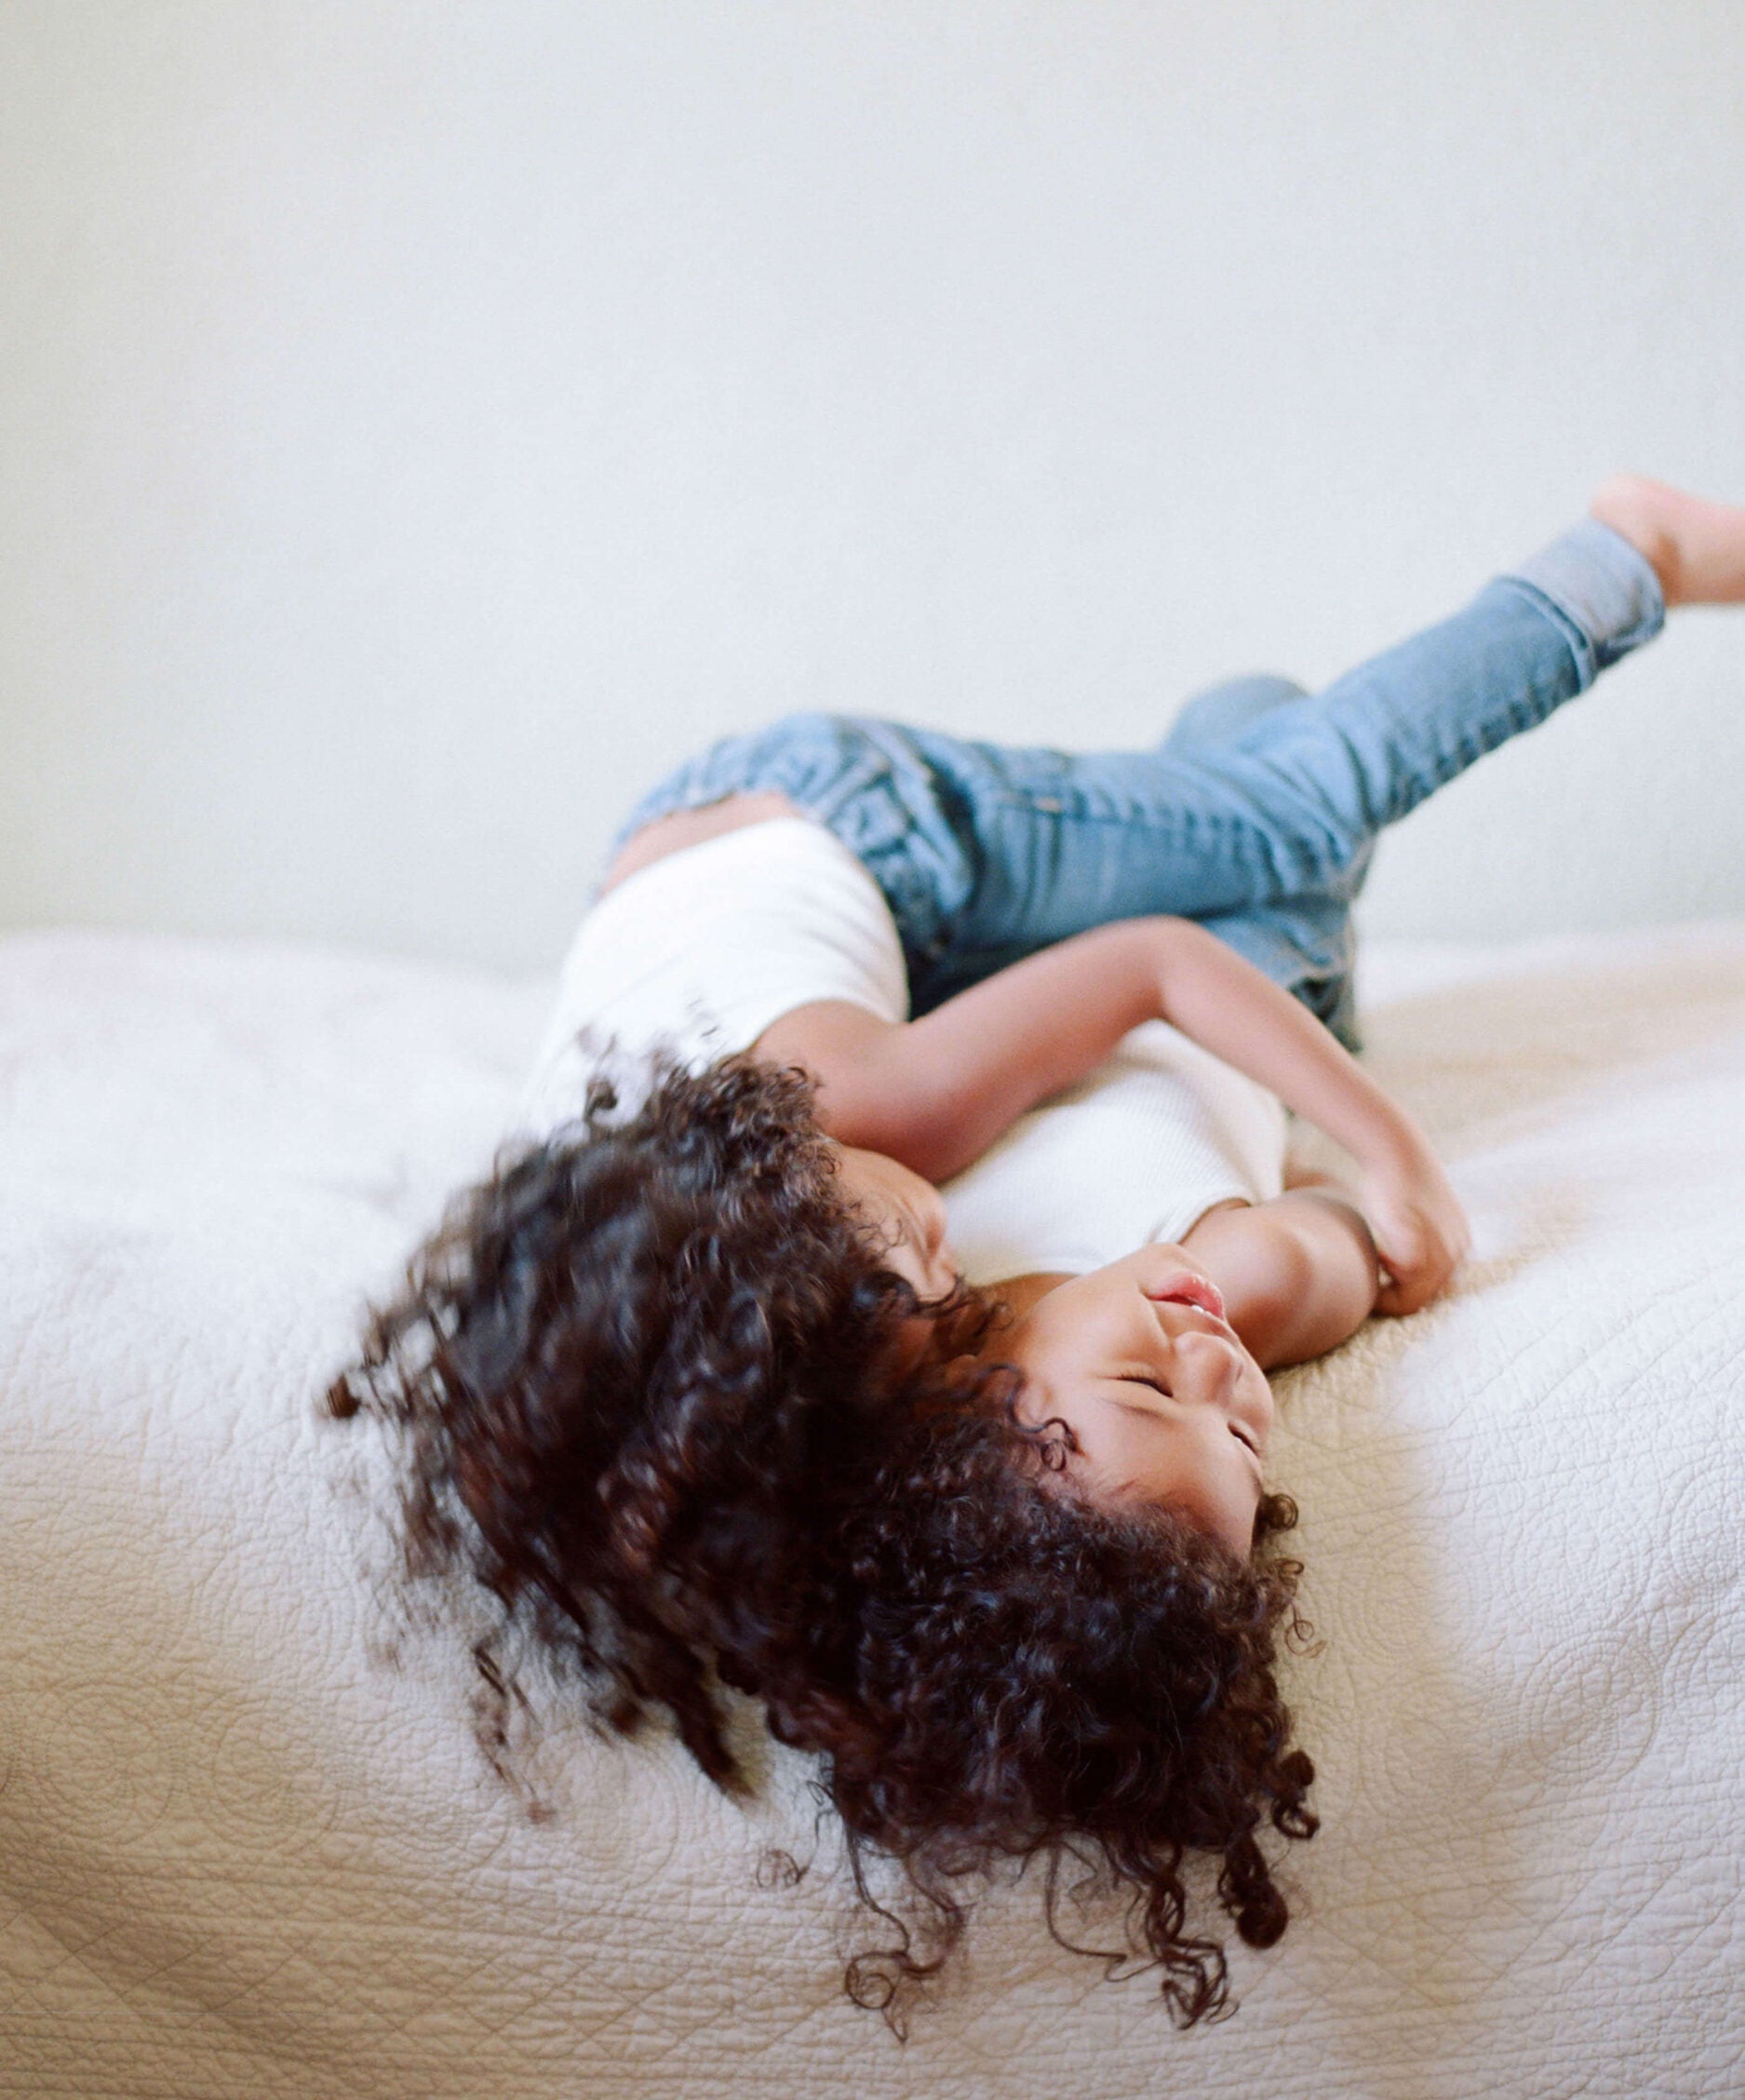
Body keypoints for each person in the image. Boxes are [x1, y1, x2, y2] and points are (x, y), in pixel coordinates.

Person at [335, 473, 1745, 2031]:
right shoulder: (790, 1372)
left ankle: (1634, 553)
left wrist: (1401, 1164)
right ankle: (1227, 733)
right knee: (1266, 847)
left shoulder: (829, 1127)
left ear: (953, 1396)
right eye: (1238, 1424)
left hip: (848, 816)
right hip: (780, 934)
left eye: (913, 1280)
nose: (937, 1261)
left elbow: (1151, 969)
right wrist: (1326, 1262)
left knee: (1288, 828)